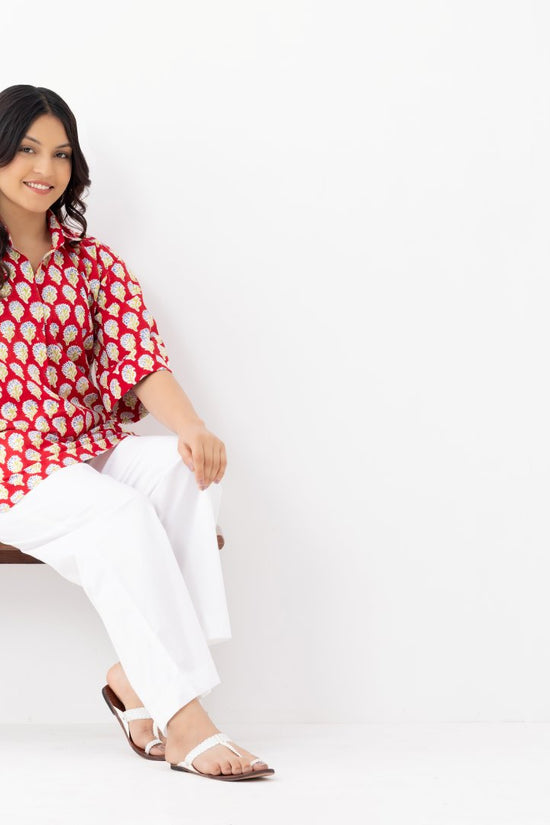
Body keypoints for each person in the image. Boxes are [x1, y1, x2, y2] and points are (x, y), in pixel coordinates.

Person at [0, 84, 274, 781]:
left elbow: (140, 359)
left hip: (85, 446)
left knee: (185, 472)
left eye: (61, 153)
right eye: (27, 149)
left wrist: (193, 428)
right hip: (12, 468)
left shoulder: (93, 263)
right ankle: (185, 720)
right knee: (119, 515)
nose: (46, 168)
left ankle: (137, 677)